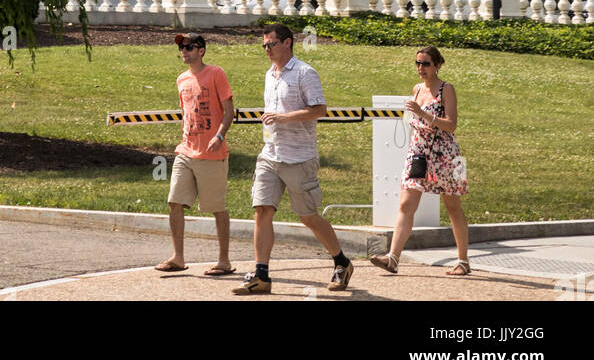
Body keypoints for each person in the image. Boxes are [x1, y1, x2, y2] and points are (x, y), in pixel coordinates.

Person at [234, 24, 353, 295]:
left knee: (308, 216)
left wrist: (283, 118)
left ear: (287, 43)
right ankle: (261, 274)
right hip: (270, 154)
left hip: (299, 157)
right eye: (264, 45)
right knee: (262, 209)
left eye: (271, 44)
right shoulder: (269, 74)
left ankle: (341, 262)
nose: (266, 49)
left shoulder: (305, 72)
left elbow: (319, 109)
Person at [370, 44, 470, 276]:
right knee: (406, 203)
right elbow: (412, 120)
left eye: (425, 63)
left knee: (453, 206)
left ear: (437, 65)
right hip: (419, 151)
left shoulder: (447, 89)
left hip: (446, 153)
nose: (420, 68)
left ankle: (463, 260)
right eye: (418, 63)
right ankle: (393, 258)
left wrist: (424, 113)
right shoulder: (416, 89)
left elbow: (451, 125)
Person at [155, 32, 236, 276]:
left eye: (189, 47)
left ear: (201, 50)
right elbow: (186, 113)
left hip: (212, 154)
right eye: (182, 47)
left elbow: (230, 111)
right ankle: (178, 257)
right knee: (174, 201)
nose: (184, 51)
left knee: (216, 207)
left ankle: (224, 260)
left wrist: (219, 136)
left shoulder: (216, 74)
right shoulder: (181, 79)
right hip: (186, 151)